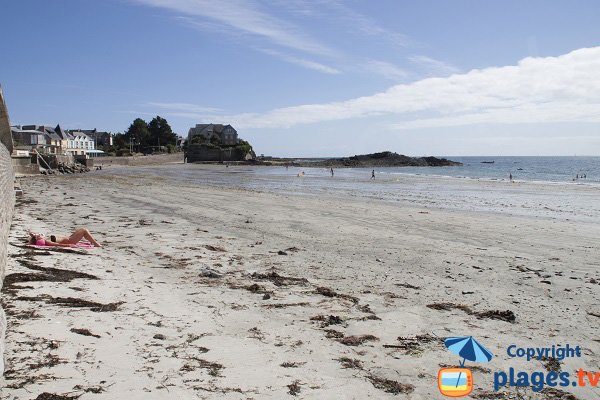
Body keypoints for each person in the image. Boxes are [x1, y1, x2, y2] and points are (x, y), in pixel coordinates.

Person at [28, 227, 102, 247]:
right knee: (84, 230)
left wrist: (33, 235)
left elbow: (33, 239)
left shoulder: (46, 239)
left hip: (69, 237)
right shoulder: (47, 241)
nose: (40, 234)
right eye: (39, 235)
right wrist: (68, 245)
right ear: (39, 239)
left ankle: (92, 241)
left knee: (83, 231)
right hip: (70, 240)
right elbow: (57, 245)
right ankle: (95, 243)